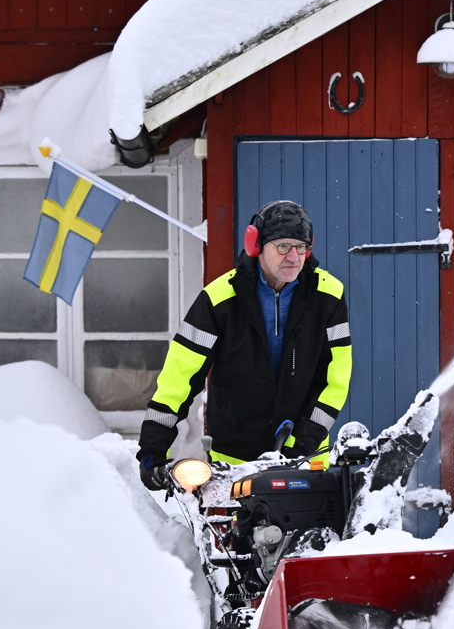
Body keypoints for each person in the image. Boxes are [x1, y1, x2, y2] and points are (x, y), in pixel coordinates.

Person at [137, 200, 352, 490]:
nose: (294, 256)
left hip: (305, 459)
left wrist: (302, 442)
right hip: (233, 463)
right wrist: (152, 449)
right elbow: (180, 377)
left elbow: (335, 380)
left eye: (301, 246)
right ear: (256, 245)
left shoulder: (329, 295)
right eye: (283, 246)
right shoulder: (219, 300)